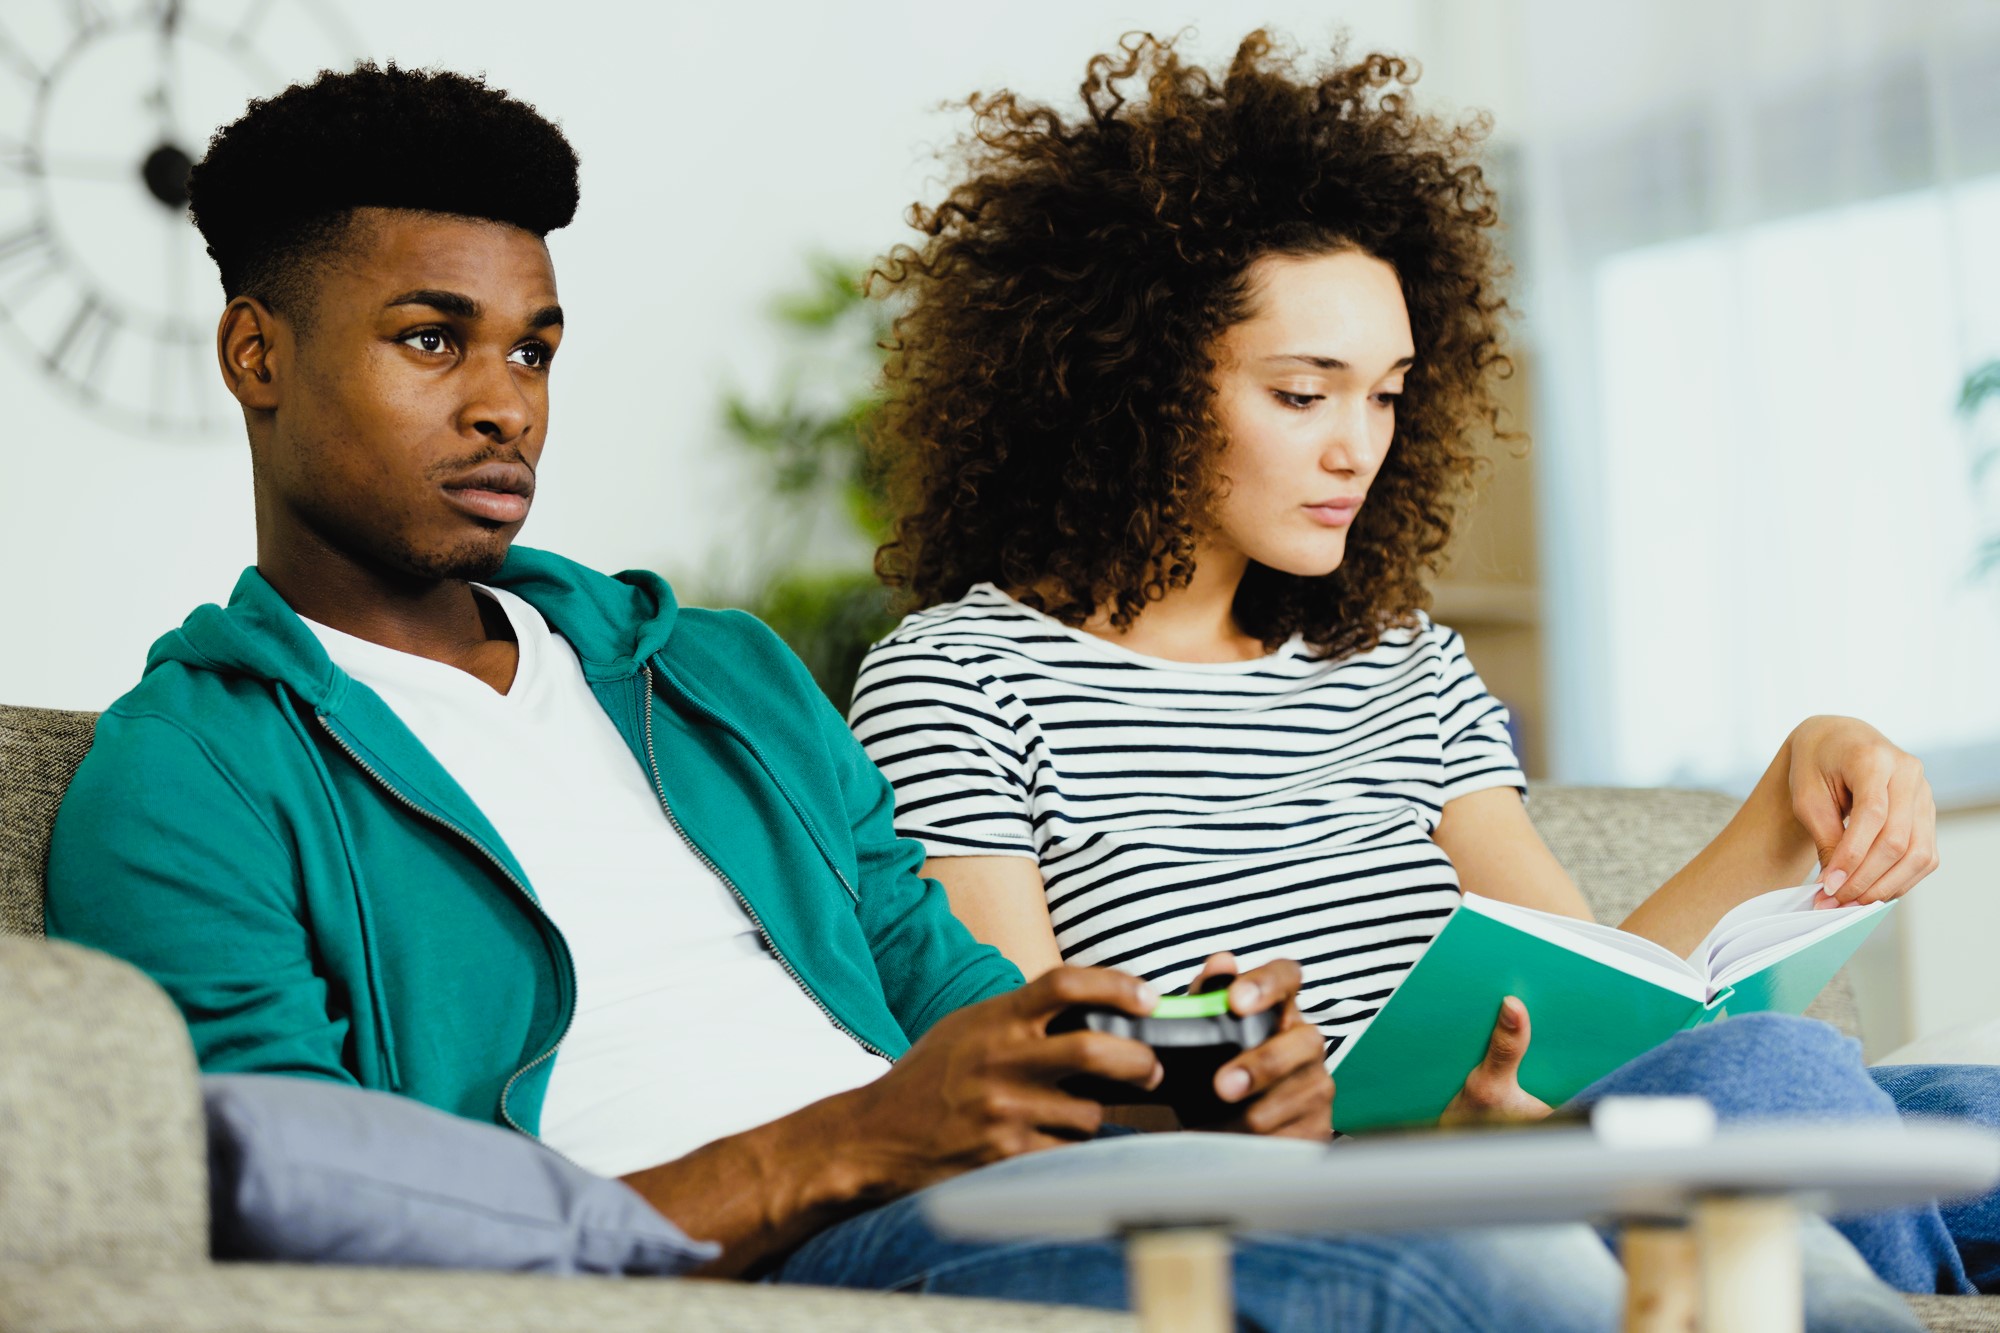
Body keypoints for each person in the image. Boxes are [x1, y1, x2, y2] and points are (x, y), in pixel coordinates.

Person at [42, 61, 1660, 1332]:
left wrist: (1183, 1085)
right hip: (773, 1264)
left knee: (1621, 1219)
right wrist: (859, 1140)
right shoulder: (194, 769)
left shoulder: (716, 677)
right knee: (1447, 1277)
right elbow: (307, 1214)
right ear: (256, 355)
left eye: (533, 351)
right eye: (428, 339)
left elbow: (957, 999)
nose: (501, 406)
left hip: (979, 1200)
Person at [849, 29, 2000, 1298]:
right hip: (1345, 1208)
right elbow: (1017, 1101)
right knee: (1776, 1081)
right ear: (1134, 383)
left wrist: (1791, 786)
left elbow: (1600, 1004)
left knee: (1957, 1106)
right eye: (1303, 394)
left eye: (1387, 395)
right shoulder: (960, 680)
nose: (1358, 448)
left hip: (1542, 1148)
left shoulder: (1399, 661)